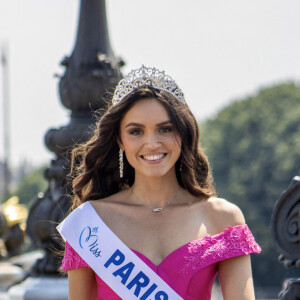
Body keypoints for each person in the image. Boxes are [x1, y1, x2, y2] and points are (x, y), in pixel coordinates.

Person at [58, 65, 261, 300]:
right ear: (119, 140)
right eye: (136, 132)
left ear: (183, 134)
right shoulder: (91, 224)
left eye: (165, 129)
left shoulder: (222, 218)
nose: (152, 143)